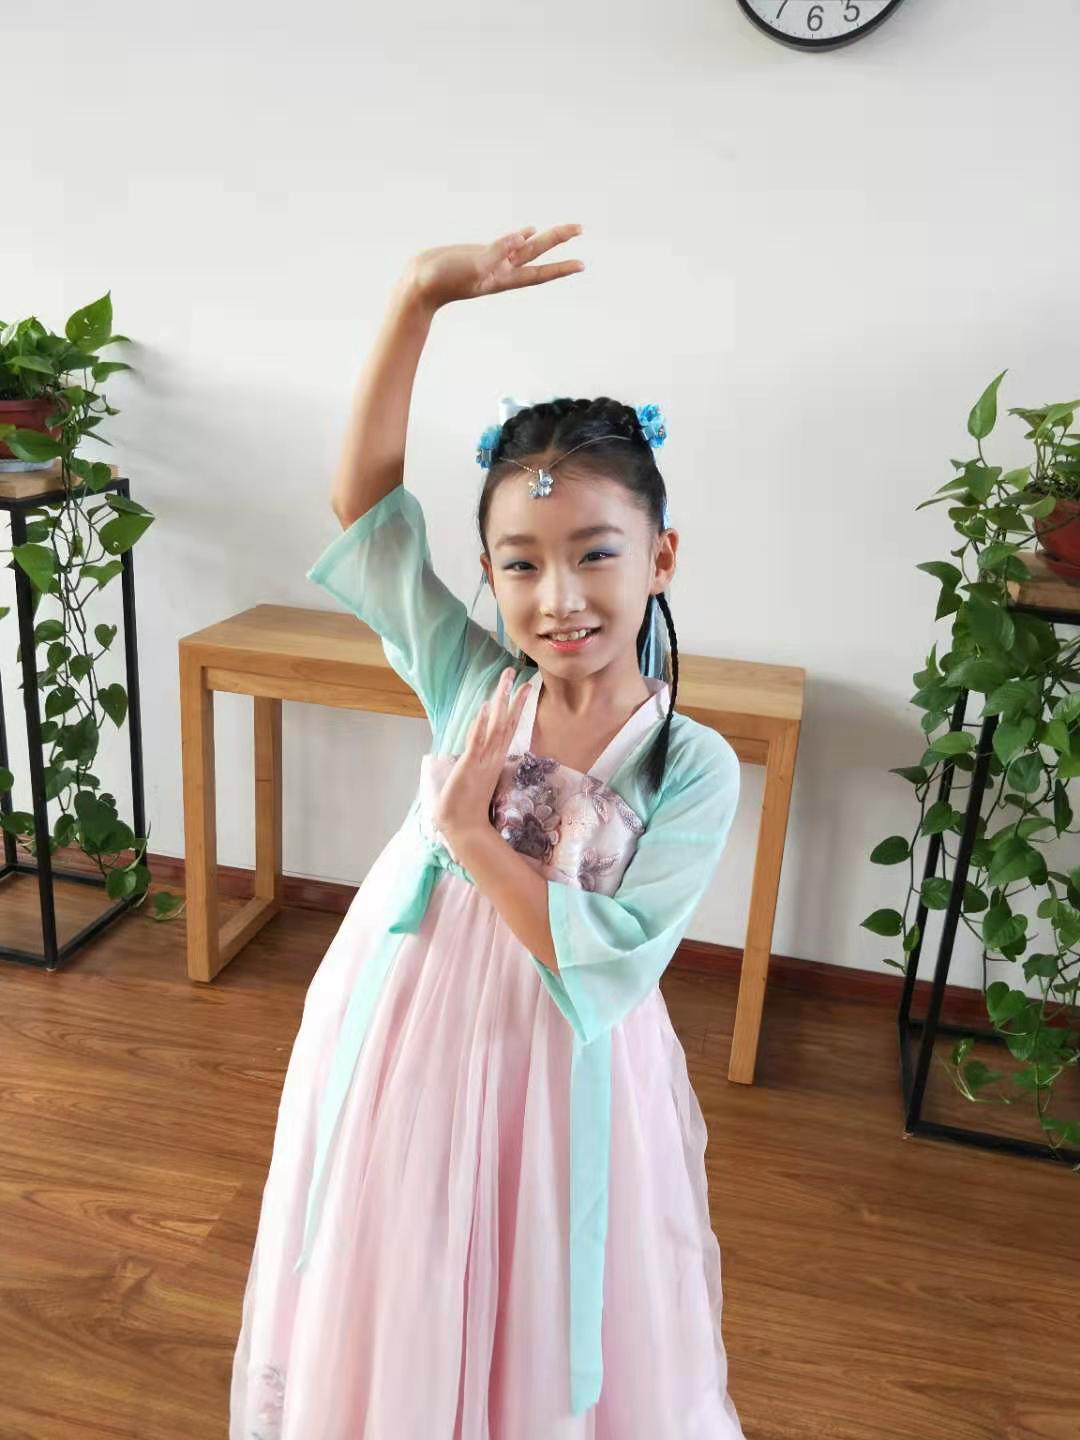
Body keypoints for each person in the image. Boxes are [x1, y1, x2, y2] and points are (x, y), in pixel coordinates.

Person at [229, 224, 746, 1439]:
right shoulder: (474, 684)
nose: (559, 599)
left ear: (661, 557)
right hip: (407, 1025)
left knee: (538, 1272)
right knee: (398, 1254)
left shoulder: (689, 767)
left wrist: (472, 837)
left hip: (558, 1059)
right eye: (520, 566)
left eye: (595, 555)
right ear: (490, 575)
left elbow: (607, 961)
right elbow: (365, 509)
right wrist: (417, 297)